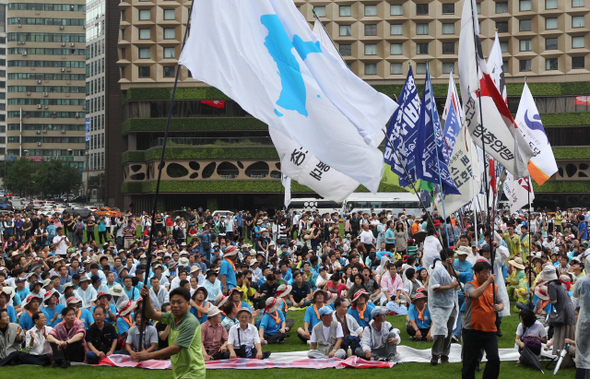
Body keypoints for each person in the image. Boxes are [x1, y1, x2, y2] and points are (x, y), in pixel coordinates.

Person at [136, 286, 206, 378]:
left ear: (188, 304)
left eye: (179, 302)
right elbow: (151, 314)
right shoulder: (172, 317)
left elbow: (176, 348)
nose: (175, 305)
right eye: (173, 302)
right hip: (181, 371)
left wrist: (148, 355)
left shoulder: (190, 322)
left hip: (193, 372)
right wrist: (146, 297)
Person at [462, 260, 504, 379]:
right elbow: (475, 295)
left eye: (488, 272)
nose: (487, 275)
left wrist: (499, 307)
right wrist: (488, 282)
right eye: (484, 272)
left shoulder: (494, 287)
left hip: (490, 330)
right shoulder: (470, 284)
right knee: (469, 362)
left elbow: (501, 303)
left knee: (494, 358)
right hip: (472, 329)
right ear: (477, 273)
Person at [428, 248, 460, 365]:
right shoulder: (437, 270)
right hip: (439, 304)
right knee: (441, 329)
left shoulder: (452, 270)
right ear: (449, 258)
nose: (454, 259)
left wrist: (455, 286)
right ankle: (435, 354)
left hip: (451, 304)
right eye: (453, 257)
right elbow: (434, 287)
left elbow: (456, 284)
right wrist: (450, 286)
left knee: (449, 330)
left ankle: (445, 354)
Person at [541, 264, 576, 356]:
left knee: (561, 332)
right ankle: (567, 355)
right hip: (569, 311)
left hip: (563, 312)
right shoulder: (559, 283)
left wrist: (547, 293)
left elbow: (554, 300)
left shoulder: (551, 285)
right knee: (568, 333)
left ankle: (561, 354)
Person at [572, 255, 590, 379]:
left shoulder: (582, 281)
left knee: (581, 349)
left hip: (584, 318)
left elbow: (575, 294)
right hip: (584, 315)